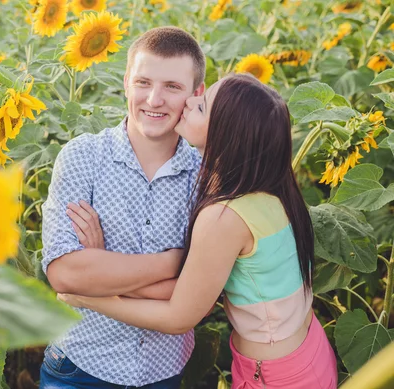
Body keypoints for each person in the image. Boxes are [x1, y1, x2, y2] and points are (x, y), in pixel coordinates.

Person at [59, 74, 338, 389]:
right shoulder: (271, 189)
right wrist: (102, 265)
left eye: (202, 107)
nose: (190, 101)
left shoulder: (224, 217)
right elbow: (188, 288)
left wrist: (93, 295)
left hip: (276, 377)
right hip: (305, 353)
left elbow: (180, 315)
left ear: (226, 136)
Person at [40, 26, 206, 388]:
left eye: (172, 87)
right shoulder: (83, 156)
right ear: (127, 82)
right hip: (81, 365)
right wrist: (173, 262)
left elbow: (199, 296)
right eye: (143, 82)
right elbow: (66, 274)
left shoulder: (205, 175)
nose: (154, 99)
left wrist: (100, 268)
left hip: (164, 370)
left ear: (197, 95)